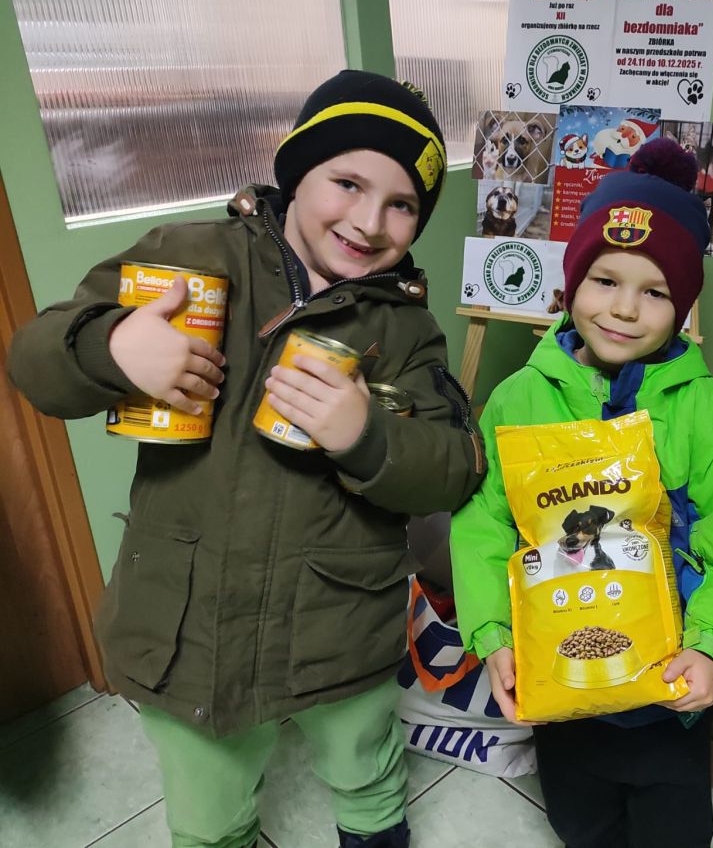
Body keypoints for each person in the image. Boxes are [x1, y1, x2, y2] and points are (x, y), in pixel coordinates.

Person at [7, 69, 485, 848]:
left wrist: (367, 434)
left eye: (402, 204)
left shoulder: (405, 328)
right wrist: (111, 346)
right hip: (192, 623)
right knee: (208, 807)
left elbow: (456, 466)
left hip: (343, 624)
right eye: (348, 183)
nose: (369, 221)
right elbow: (34, 359)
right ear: (298, 171)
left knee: (366, 768)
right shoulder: (188, 257)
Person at [450, 138, 713, 848]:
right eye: (604, 280)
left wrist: (712, 646)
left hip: (669, 694)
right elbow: (485, 526)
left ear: (683, 306)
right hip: (560, 684)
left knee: (675, 833)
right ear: (571, 282)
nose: (624, 309)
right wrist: (492, 636)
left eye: (655, 292)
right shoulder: (519, 396)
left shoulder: (708, 412)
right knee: (580, 825)